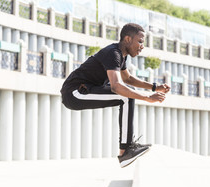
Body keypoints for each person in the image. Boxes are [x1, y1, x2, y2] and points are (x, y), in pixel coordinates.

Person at [60, 23, 170, 168]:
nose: (142, 46)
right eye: (140, 41)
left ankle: (127, 148)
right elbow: (116, 86)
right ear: (128, 39)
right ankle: (125, 151)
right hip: (74, 93)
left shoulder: (120, 55)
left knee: (127, 93)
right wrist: (146, 98)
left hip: (85, 90)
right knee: (126, 96)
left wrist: (154, 87)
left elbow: (128, 79)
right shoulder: (113, 53)